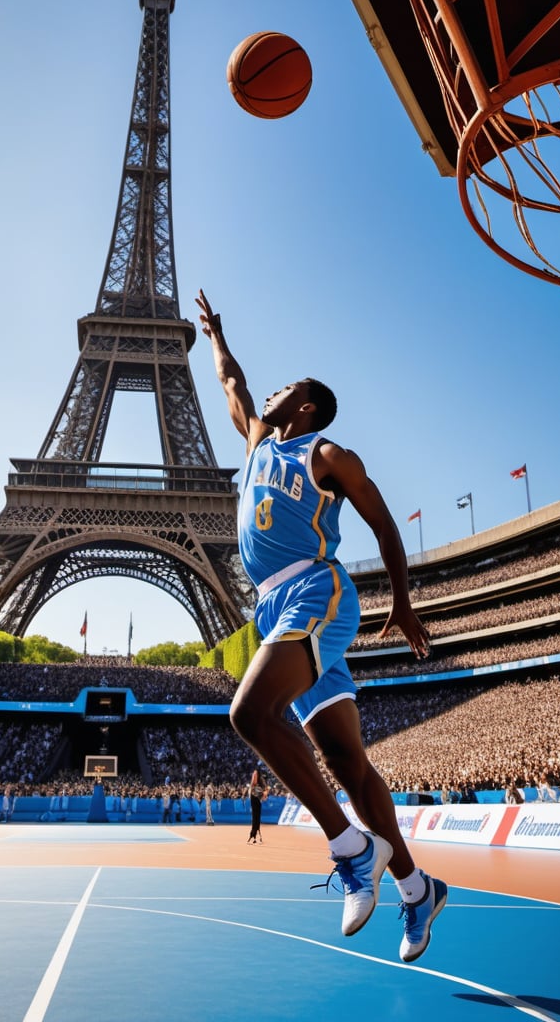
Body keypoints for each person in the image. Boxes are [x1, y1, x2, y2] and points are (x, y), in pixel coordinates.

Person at [196, 290, 447, 963]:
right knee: (346, 762)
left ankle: (351, 847)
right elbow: (230, 379)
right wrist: (217, 334)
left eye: (288, 387)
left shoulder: (329, 454)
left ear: (305, 406)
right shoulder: (254, 441)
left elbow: (384, 521)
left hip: (318, 589)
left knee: (249, 714)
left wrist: (403, 599)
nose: (272, 391)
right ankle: (418, 888)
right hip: (273, 607)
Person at [247, 766, 266, 844]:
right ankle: (253, 835)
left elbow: (264, 796)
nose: (253, 776)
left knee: (257, 818)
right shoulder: (254, 787)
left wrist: (264, 793)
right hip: (254, 800)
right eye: (253, 775)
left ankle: (256, 835)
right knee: (255, 817)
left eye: (255, 775)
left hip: (257, 801)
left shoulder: (260, 785)